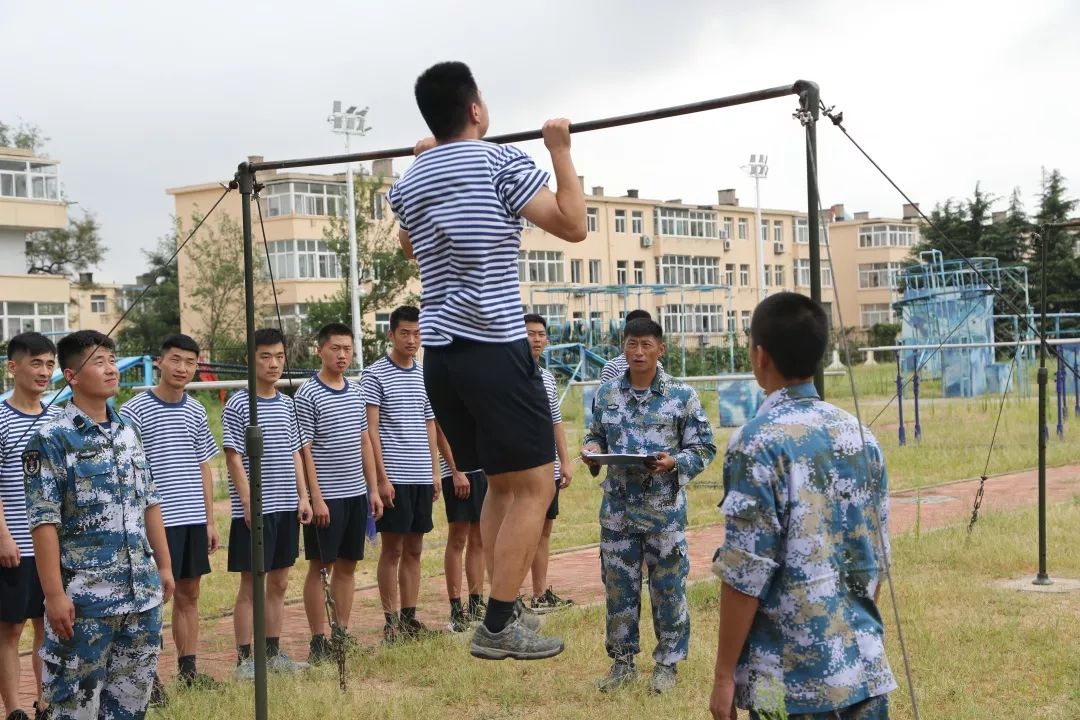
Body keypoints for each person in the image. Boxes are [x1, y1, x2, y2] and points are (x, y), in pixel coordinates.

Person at [388, 60, 586, 660]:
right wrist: (560, 151)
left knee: (501, 485)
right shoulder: (501, 162)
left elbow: (411, 245)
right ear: (475, 110)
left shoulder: (412, 181)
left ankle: (502, 612)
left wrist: (429, 157)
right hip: (494, 347)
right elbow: (574, 225)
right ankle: (500, 623)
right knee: (533, 485)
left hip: (441, 359)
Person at [709, 292, 895, 720]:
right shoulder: (861, 436)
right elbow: (877, 556)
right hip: (863, 667)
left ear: (759, 356)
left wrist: (723, 675)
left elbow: (745, 571)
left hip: (788, 683)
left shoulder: (757, 442)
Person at [24, 330, 174, 718]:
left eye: (112, 359)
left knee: (129, 708)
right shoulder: (51, 438)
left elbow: (150, 502)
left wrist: (164, 567)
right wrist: (54, 595)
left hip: (140, 596)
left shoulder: (128, 431)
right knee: (73, 709)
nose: (111, 369)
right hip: (84, 602)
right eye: (99, 362)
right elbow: (44, 523)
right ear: (71, 375)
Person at [582, 318, 715, 694]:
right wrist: (592, 451)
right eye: (630, 345)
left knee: (668, 588)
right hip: (618, 514)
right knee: (619, 589)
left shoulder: (681, 395)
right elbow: (595, 434)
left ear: (661, 348)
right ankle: (622, 663)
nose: (637, 352)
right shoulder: (606, 394)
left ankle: (668, 665)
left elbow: (704, 447)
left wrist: (675, 463)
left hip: (664, 514)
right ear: (623, 348)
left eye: (645, 345)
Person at [119, 334, 221, 699]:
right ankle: (147, 678)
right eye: (175, 360)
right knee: (151, 600)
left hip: (192, 517)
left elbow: (204, 467)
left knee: (189, 594)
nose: (182, 368)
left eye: (190, 362)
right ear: (159, 361)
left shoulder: (195, 410)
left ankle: (188, 669)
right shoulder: (134, 410)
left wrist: (209, 520)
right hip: (154, 521)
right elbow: (127, 470)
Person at [221, 327, 312, 679]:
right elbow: (232, 457)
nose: (274, 364)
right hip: (255, 510)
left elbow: (295, 453)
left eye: (279, 356)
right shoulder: (240, 404)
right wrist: (247, 503)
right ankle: (245, 660)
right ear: (250, 360)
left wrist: (302, 497)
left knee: (279, 583)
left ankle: (272, 653)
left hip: (286, 507)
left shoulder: (288, 404)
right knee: (252, 585)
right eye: (265, 356)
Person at [294, 323, 383, 663]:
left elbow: (364, 441)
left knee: (348, 566)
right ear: (320, 350)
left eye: (347, 348)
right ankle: (318, 641)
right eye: (335, 348)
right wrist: (316, 498)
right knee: (321, 567)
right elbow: (305, 451)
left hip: (355, 495)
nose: (342, 354)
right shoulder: (307, 394)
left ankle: (340, 633)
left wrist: (372, 490)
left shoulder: (356, 391)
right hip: (325, 498)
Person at [362, 306, 440, 643]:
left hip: (421, 475)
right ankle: (390, 620)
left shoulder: (425, 374)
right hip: (393, 477)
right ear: (391, 334)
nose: (412, 339)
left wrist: (436, 471)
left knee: (415, 549)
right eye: (405, 333)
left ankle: (410, 617)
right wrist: (381, 479)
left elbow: (430, 424)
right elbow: (371, 428)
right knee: (391, 550)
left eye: (417, 333)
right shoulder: (375, 375)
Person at [0, 333, 60, 720]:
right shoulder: (1, 416)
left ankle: (45, 702)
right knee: (9, 629)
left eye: (50, 364)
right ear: (12, 367)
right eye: (35, 363)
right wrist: (3, 535)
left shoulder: (57, 417)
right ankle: (15, 708)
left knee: (50, 626)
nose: (43, 372)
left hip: (52, 545)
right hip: (14, 544)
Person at [522, 314, 573, 614]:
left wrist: (564, 462)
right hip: (522, 469)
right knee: (521, 533)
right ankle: (510, 597)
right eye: (530, 334)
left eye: (541, 334)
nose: (537, 339)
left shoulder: (548, 378)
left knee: (543, 532)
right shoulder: (509, 377)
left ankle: (539, 594)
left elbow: (556, 422)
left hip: (548, 468)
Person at [436, 424, 487, 633]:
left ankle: (476, 603)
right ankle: (456, 609)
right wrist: (456, 471)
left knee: (479, 538)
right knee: (458, 538)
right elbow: (439, 428)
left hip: (482, 470)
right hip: (456, 473)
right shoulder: (446, 390)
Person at [599, 310, 664, 383]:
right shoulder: (613, 367)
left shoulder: (657, 365)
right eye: (633, 344)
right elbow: (606, 393)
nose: (639, 352)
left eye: (646, 344)